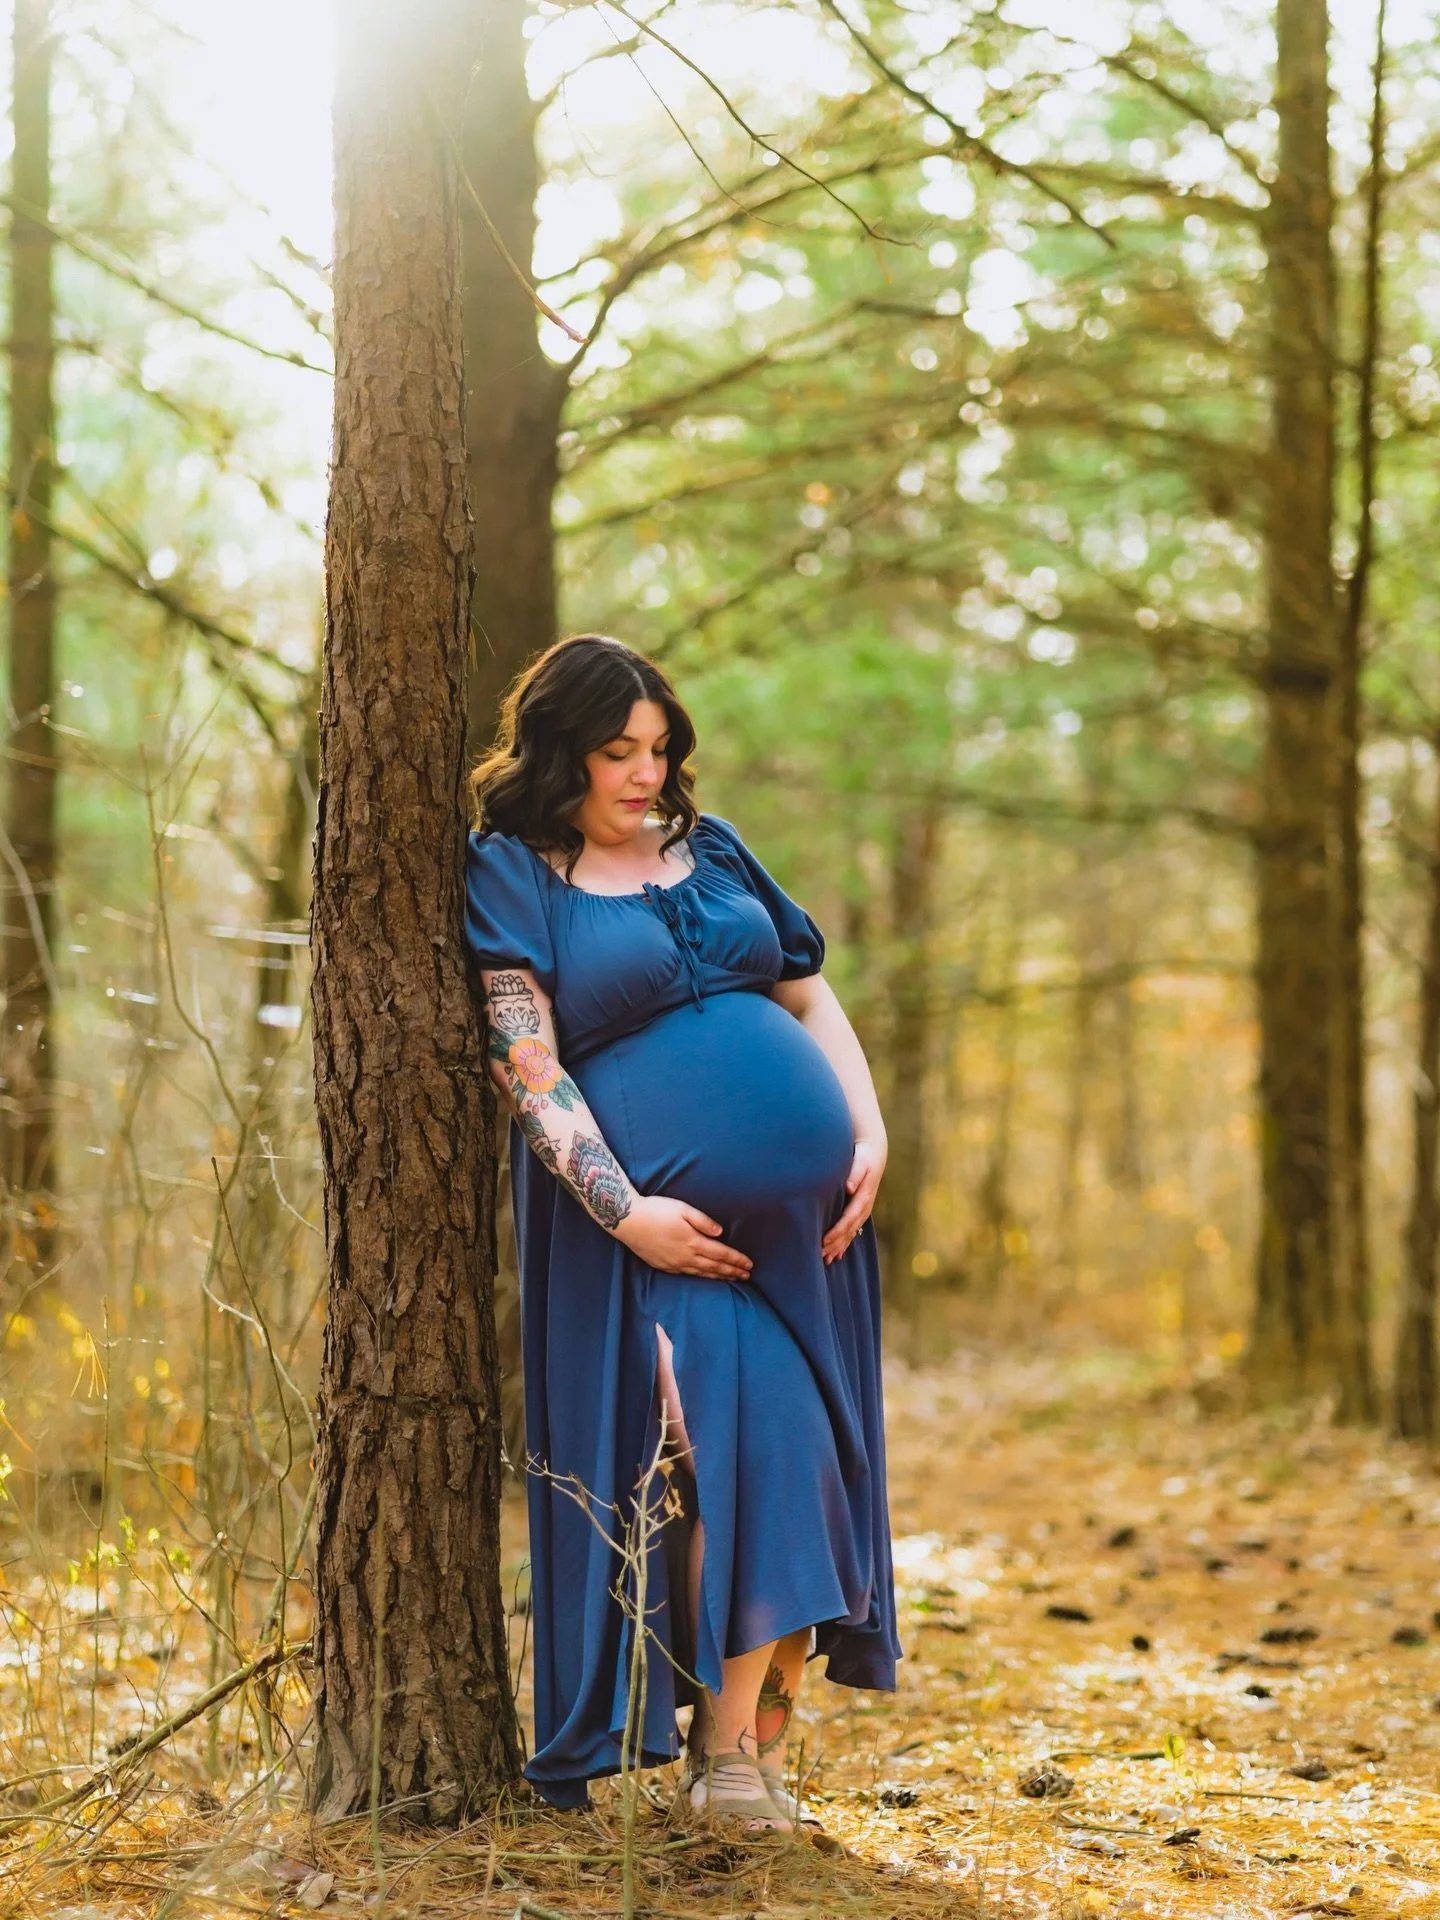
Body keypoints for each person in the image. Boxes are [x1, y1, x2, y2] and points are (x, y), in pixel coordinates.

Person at [464, 633, 900, 1827]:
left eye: (659, 750)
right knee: (724, 1442)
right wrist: (627, 1211)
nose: (644, 775)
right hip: (649, 1241)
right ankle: (721, 1760)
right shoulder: (514, 872)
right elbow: (530, 1066)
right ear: (563, 753)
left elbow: (807, 991)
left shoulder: (714, 853)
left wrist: (865, 1128)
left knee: (801, 1463)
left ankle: (736, 1757)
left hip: (810, 1241)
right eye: (617, 752)